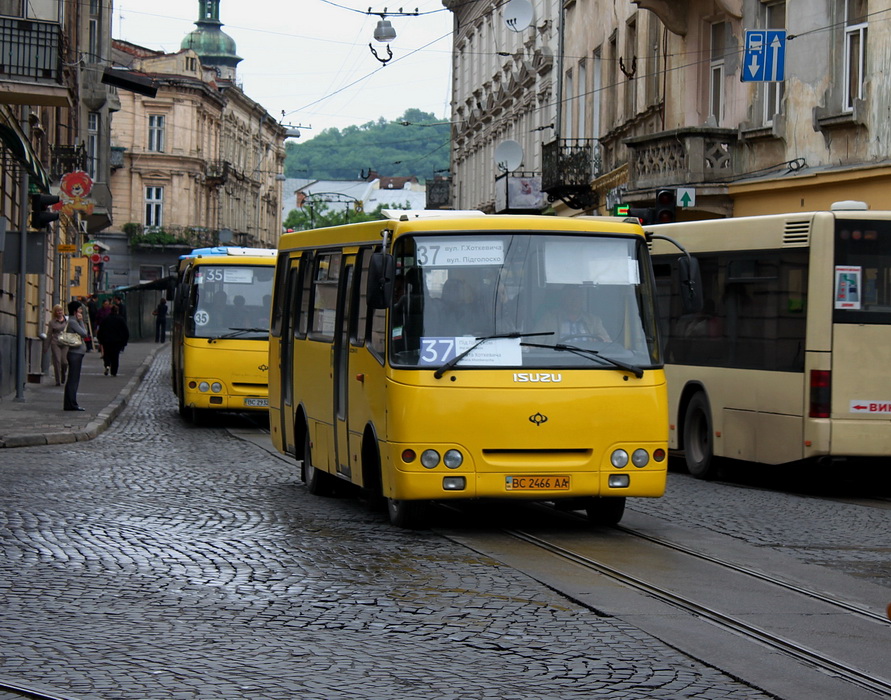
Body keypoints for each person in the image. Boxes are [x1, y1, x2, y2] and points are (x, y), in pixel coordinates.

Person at [63, 301, 89, 411]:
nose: (81, 311)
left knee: (73, 379)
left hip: (76, 353)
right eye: (79, 310)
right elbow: (84, 333)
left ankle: (71, 403)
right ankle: (71, 404)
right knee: (73, 380)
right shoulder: (74, 322)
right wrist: (81, 321)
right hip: (75, 353)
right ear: (75, 311)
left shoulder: (73, 321)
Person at [96, 305, 129, 377]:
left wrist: (100, 339)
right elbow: (125, 331)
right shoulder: (121, 319)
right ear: (117, 311)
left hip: (106, 340)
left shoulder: (106, 319)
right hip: (117, 341)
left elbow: (101, 330)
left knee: (107, 354)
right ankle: (114, 372)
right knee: (115, 356)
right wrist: (124, 341)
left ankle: (107, 365)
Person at [45, 303, 69, 386]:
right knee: (57, 361)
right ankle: (58, 380)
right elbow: (49, 335)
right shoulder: (52, 322)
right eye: (58, 311)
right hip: (55, 343)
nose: (60, 312)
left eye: (61, 310)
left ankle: (63, 375)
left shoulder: (67, 321)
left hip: (65, 343)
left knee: (65, 362)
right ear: (55, 312)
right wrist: (46, 347)